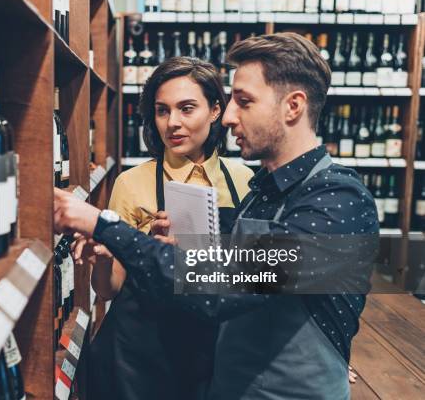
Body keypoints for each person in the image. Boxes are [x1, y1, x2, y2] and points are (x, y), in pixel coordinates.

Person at [55, 33, 379, 399]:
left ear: (293, 106)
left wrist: (102, 224)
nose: (227, 116)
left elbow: (223, 284)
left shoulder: (336, 200)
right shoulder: (262, 192)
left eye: (243, 101)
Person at [79, 57, 253, 400]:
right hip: (139, 357)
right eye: (162, 111)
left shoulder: (244, 181)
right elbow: (108, 290)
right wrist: (108, 256)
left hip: (213, 350)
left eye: (187, 108)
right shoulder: (131, 183)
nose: (172, 123)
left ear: (216, 110)